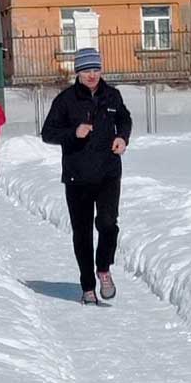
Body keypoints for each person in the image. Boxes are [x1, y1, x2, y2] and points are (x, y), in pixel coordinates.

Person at [41, 47, 132, 305]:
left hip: (108, 173)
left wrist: (122, 138)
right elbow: (48, 133)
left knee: (107, 223)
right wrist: (73, 132)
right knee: (82, 234)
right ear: (77, 73)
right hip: (77, 177)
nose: (92, 75)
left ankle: (103, 267)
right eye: (86, 71)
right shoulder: (66, 100)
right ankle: (87, 286)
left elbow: (125, 120)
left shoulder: (112, 96)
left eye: (96, 69)